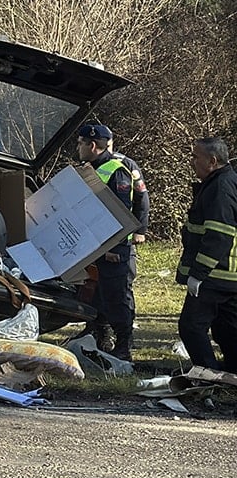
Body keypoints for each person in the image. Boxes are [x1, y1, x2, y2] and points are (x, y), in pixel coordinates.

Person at [75, 123, 144, 361]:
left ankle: (124, 346)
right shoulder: (90, 168)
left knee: (116, 297)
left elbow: (121, 212)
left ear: (92, 145)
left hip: (113, 248)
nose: (78, 147)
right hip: (95, 245)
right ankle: (99, 336)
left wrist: (114, 248)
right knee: (97, 295)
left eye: (81, 143)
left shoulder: (117, 170)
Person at [176, 137, 237, 371]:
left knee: (191, 326)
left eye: (195, 157)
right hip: (227, 275)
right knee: (227, 330)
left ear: (212, 161)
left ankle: (207, 375)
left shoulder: (220, 188)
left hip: (215, 275)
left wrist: (198, 274)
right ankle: (231, 375)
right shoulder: (223, 182)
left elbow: (219, 234)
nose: (192, 162)